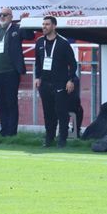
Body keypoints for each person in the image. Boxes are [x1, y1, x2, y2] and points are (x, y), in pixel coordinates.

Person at [35, 16, 78, 148]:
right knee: (48, 113)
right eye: (43, 24)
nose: (44, 27)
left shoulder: (63, 43)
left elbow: (73, 64)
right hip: (45, 84)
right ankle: (49, 138)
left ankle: (62, 140)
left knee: (61, 113)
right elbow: (38, 62)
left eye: (47, 24)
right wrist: (37, 77)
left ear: (54, 26)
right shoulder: (39, 42)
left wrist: (71, 80)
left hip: (60, 83)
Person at [0, 7, 27, 137]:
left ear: (11, 16)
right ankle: (4, 130)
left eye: (5, 15)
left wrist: (25, 22)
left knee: (11, 101)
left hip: (11, 72)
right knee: (1, 102)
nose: (2, 17)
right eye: (0, 15)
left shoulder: (16, 29)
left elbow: (29, 35)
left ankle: (12, 131)